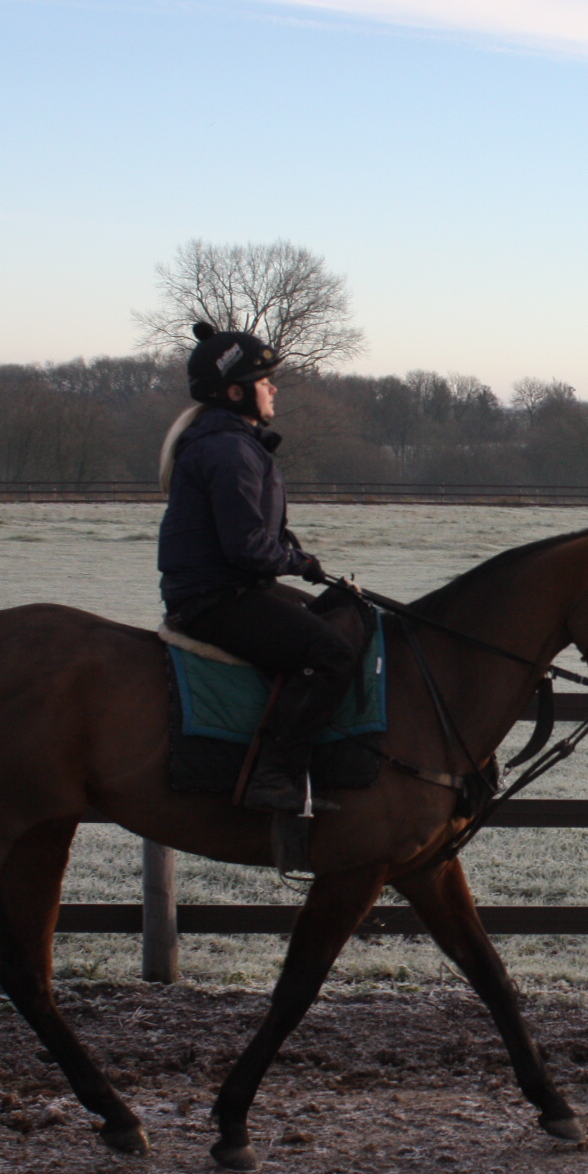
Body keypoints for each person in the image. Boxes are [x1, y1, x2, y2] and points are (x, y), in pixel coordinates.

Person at [157, 321, 354, 814]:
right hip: (216, 600)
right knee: (330, 653)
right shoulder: (228, 448)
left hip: (231, 590)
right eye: (265, 381)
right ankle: (273, 777)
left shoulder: (232, 442)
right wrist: (300, 563)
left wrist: (296, 559)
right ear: (235, 391)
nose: (274, 388)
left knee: (340, 617)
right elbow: (246, 548)